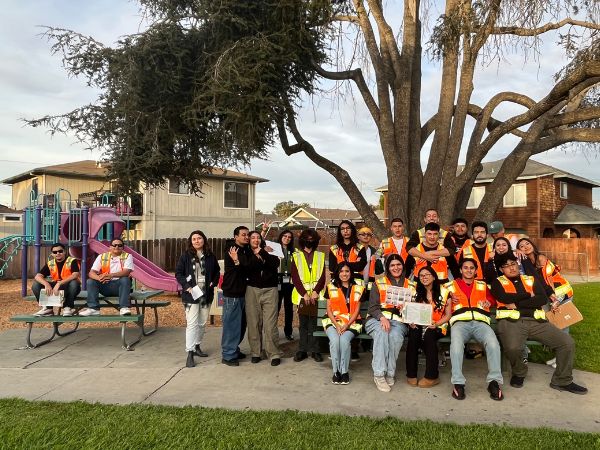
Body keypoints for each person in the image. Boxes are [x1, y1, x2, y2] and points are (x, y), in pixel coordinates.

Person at [491, 252, 587, 395]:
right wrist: (529, 296)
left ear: (517, 264)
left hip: (537, 322)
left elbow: (541, 299)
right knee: (513, 348)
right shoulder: (497, 282)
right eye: (506, 266)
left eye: (513, 264)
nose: (511, 268)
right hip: (511, 322)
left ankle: (562, 380)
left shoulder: (530, 279)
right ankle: (519, 372)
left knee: (567, 343)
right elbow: (504, 297)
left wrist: (516, 303)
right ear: (501, 270)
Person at [444, 258, 503, 401]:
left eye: (472, 268)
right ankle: (458, 383)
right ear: (460, 270)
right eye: (465, 267)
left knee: (494, 344)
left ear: (476, 270)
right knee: (456, 346)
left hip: (481, 323)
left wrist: (489, 301)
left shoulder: (483, 285)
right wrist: (449, 298)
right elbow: (440, 301)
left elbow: (493, 300)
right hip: (459, 323)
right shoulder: (449, 286)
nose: (469, 270)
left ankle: (494, 382)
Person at [366, 254, 415, 392]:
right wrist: (382, 317)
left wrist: (410, 315)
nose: (396, 267)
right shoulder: (379, 283)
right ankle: (379, 374)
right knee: (383, 332)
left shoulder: (411, 285)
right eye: (392, 265)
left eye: (398, 264)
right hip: (377, 319)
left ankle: (390, 373)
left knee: (395, 337)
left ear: (403, 266)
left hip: (399, 321)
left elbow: (414, 308)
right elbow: (372, 307)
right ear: (388, 267)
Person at [175, 230, 220, 368]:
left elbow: (217, 271)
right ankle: (190, 352)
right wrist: (187, 286)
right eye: (194, 239)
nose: (196, 241)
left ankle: (197, 346)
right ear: (191, 241)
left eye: (199, 238)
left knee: (202, 323)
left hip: (206, 294)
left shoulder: (210, 256)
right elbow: (179, 273)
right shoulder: (185, 256)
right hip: (191, 295)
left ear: (204, 240)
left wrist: (214, 282)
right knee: (192, 323)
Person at [406, 266, 452, 388]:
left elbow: (448, 315)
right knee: (413, 334)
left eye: (427, 274)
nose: (424, 277)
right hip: (419, 323)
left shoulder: (444, 291)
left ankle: (432, 376)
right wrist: (411, 321)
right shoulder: (415, 291)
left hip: (438, 325)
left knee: (429, 336)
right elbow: (410, 310)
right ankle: (411, 374)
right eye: (421, 275)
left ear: (433, 276)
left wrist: (436, 324)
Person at [323, 263, 365, 385]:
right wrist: (336, 325)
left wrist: (346, 325)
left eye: (347, 271)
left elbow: (357, 310)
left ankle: (344, 372)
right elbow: (329, 309)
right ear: (337, 273)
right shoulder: (330, 287)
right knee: (335, 341)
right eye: (341, 271)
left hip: (352, 323)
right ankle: (336, 372)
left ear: (351, 273)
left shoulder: (358, 288)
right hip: (333, 321)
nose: (344, 274)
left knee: (344, 341)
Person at [245, 231, 282, 366]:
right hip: (252, 290)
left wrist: (263, 252)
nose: (256, 240)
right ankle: (256, 352)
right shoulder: (246, 252)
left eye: (258, 237)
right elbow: (248, 266)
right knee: (254, 322)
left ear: (262, 239)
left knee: (270, 323)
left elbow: (275, 264)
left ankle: (273, 353)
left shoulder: (270, 250)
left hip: (270, 290)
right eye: (253, 237)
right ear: (249, 240)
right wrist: (257, 255)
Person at [291, 229, 326, 363]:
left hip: (317, 295)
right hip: (302, 296)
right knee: (303, 323)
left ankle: (315, 350)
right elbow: (295, 277)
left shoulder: (320, 256)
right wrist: (304, 294)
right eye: (307, 238)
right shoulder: (296, 256)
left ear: (316, 240)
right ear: (303, 240)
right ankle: (302, 350)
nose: (310, 241)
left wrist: (316, 292)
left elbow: (322, 277)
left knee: (316, 324)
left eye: (312, 239)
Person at [221, 226, 251, 366]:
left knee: (241, 324)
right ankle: (228, 355)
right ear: (236, 237)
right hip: (232, 293)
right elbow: (244, 266)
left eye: (248, 235)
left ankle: (234, 349)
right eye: (243, 235)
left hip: (242, 292)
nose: (247, 237)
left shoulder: (243, 249)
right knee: (231, 324)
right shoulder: (233, 249)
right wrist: (239, 262)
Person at [80, 237, 133, 316]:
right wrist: (99, 278)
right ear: (110, 247)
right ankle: (93, 309)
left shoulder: (128, 256)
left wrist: (111, 275)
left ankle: (124, 307)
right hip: (105, 285)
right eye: (114, 245)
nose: (117, 247)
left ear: (123, 247)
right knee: (90, 281)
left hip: (120, 287)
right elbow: (91, 273)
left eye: (119, 245)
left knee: (125, 279)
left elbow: (126, 272)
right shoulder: (102, 256)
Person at [32, 242, 80, 317]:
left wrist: (59, 283)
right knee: (36, 284)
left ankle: (67, 307)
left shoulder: (72, 261)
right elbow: (38, 276)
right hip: (56, 286)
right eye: (55, 252)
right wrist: (46, 284)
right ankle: (47, 308)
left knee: (74, 283)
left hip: (69, 286)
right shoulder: (50, 263)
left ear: (64, 252)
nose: (58, 253)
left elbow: (75, 274)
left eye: (60, 251)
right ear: (52, 254)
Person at [276, 230, 295, 341]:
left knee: (289, 308)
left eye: (289, 237)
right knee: (276, 307)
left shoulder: (294, 251)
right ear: (281, 237)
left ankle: (288, 332)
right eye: (285, 236)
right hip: (278, 280)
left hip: (290, 281)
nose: (287, 238)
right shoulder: (274, 249)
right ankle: (273, 332)